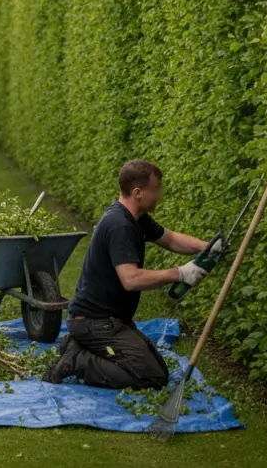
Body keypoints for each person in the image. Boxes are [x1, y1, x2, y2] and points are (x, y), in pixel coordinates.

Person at [42, 160, 216, 388]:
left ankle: (78, 348)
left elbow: (170, 239)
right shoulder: (120, 226)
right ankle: (78, 360)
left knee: (158, 370)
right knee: (152, 378)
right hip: (95, 322)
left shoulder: (135, 218)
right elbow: (131, 280)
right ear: (138, 193)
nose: (160, 195)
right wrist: (180, 274)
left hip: (111, 320)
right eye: (156, 189)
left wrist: (207, 247)